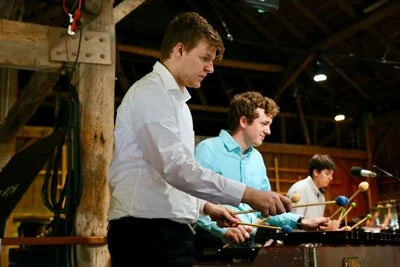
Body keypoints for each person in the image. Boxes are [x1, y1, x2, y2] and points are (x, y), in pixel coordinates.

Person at [106, 12, 292, 267]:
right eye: (204, 58)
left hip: (165, 231)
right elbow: (176, 169)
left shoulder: (178, 102)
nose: (210, 68)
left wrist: (206, 207)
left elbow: (168, 179)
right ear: (179, 50)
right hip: (145, 232)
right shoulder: (151, 93)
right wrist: (247, 194)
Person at [194, 92, 329, 249]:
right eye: (264, 124)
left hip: (248, 242)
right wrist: (221, 230)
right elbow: (192, 199)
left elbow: (266, 209)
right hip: (212, 243)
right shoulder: (208, 149)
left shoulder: (257, 158)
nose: (268, 131)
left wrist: (301, 221)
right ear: (244, 121)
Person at [287, 154, 336, 219]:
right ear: (315, 172)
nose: (331, 178)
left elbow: (315, 223)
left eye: (332, 175)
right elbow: (295, 221)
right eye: (327, 173)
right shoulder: (299, 189)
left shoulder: (321, 195)